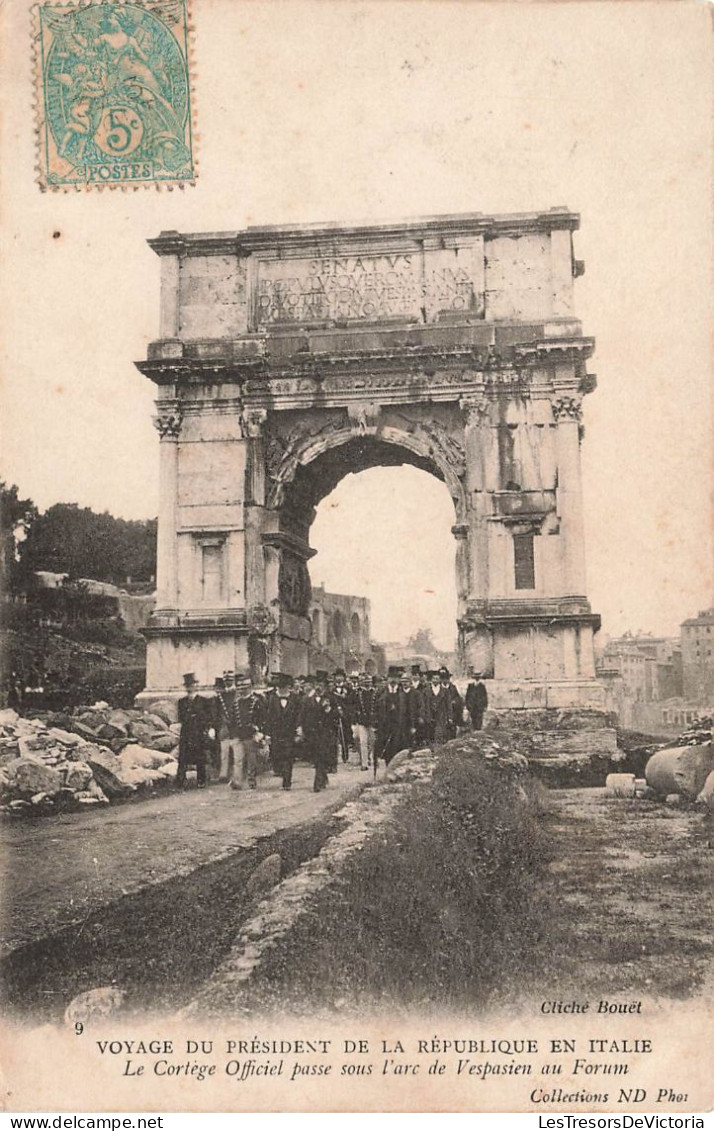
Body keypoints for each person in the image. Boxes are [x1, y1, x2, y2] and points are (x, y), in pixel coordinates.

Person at [262, 673, 302, 790]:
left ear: (288, 687)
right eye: (279, 687)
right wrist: (267, 734)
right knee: (277, 755)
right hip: (276, 733)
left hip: (289, 733)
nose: (281, 689)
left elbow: (299, 715)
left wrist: (298, 729)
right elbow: (268, 718)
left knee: (288, 757)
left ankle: (287, 782)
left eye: (283, 687)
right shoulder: (271, 699)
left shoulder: (295, 699)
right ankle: (281, 772)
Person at [300, 672, 337, 792]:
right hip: (312, 732)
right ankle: (323, 776)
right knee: (316, 757)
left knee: (322, 755)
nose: (318, 687)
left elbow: (337, 715)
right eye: (316, 684)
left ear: (325, 686)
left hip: (325, 732)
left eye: (321, 684)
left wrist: (329, 710)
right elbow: (303, 715)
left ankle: (318, 781)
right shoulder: (307, 699)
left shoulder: (330, 698)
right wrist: (302, 729)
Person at [229, 672, 265, 790]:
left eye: (244, 688)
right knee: (238, 759)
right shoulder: (236, 703)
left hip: (251, 735)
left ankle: (251, 780)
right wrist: (232, 735)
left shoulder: (256, 702)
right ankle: (237, 781)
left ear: (249, 688)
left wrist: (259, 732)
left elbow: (261, 719)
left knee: (251, 760)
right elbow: (232, 719)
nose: (241, 690)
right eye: (240, 688)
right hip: (238, 735)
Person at [176, 672, 212, 789]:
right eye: (188, 685)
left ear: (196, 686)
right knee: (183, 757)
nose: (190, 687)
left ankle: (201, 780)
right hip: (186, 732)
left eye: (192, 685)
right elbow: (181, 717)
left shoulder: (203, 701)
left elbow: (206, 717)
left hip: (198, 732)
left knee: (199, 756)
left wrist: (205, 728)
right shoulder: (181, 702)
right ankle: (180, 781)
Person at [374, 666, 409, 767]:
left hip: (399, 726)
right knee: (387, 750)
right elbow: (375, 709)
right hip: (385, 727)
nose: (393, 680)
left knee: (399, 749)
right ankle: (388, 769)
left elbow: (407, 710)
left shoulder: (403, 693)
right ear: (387, 679)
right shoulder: (381, 692)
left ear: (398, 679)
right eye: (391, 677)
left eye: (395, 678)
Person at [353, 672, 377, 771]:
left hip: (372, 720)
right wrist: (356, 713)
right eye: (365, 681)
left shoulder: (375, 693)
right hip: (361, 720)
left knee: (373, 741)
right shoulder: (357, 693)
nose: (367, 683)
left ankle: (369, 757)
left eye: (369, 681)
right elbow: (352, 705)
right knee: (363, 741)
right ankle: (364, 763)